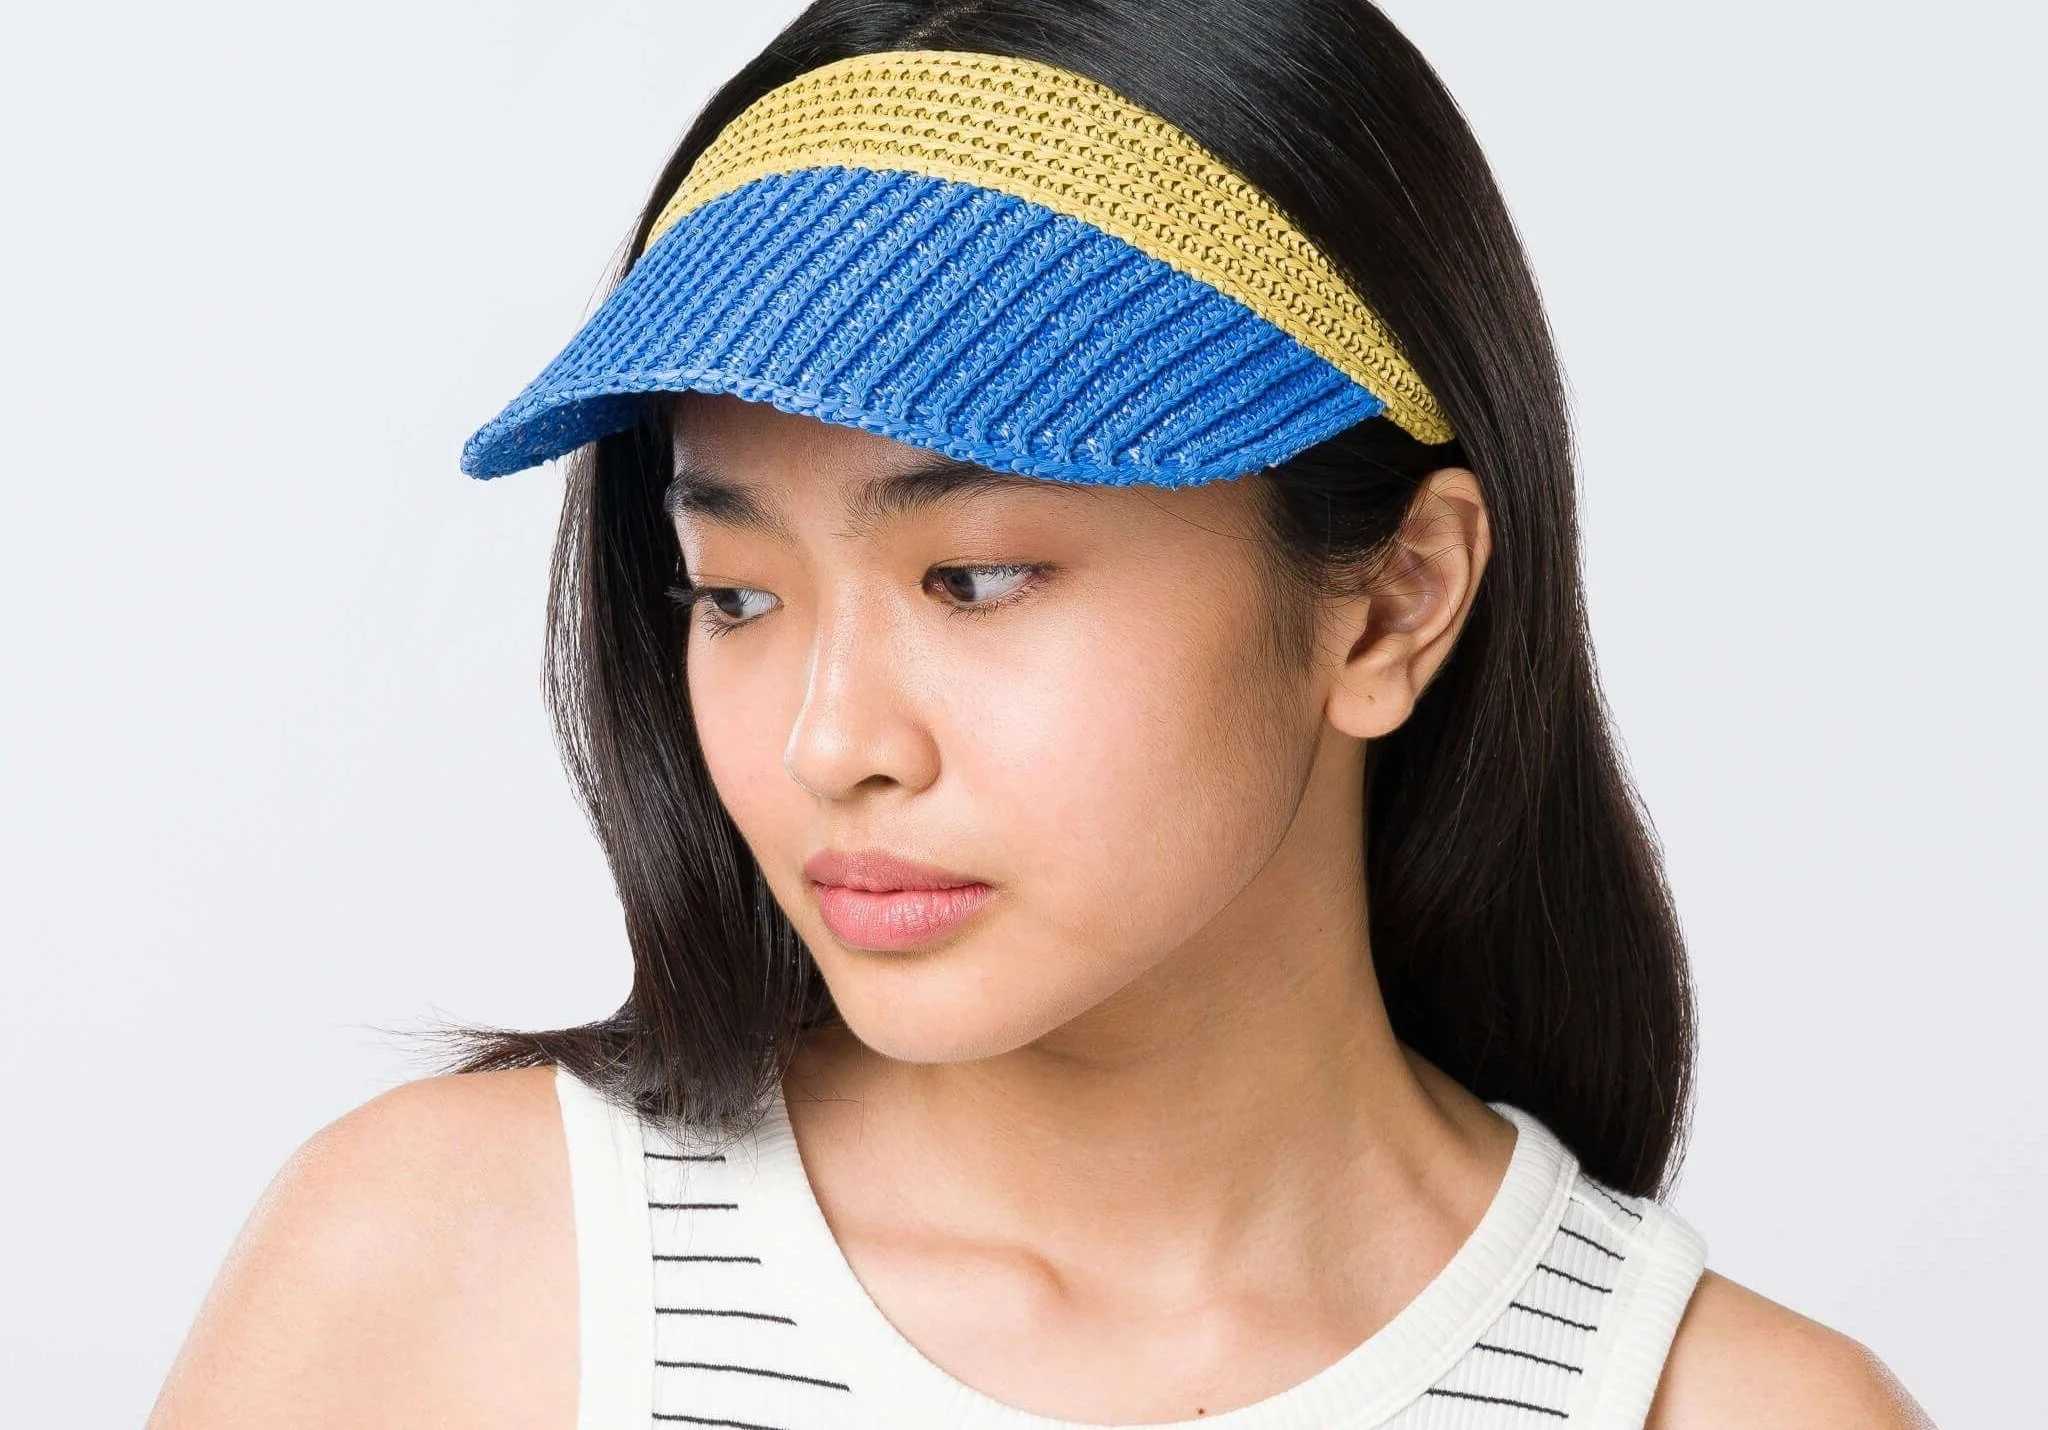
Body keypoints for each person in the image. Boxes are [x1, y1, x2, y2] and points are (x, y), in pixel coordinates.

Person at [148, 3, 1934, 1427]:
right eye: (736, 593)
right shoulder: (447, 1286)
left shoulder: (1725, 1406)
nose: (829, 741)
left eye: (977, 577)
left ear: (1395, 598)